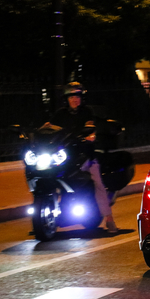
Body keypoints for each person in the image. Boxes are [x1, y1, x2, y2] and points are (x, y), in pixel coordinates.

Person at [45, 82, 119, 234]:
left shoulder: (87, 112)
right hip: (64, 156)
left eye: (77, 96)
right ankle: (46, 216)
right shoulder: (60, 114)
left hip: (85, 155)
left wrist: (90, 136)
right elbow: (50, 127)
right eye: (72, 97)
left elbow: (91, 127)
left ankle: (109, 219)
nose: (75, 100)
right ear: (67, 99)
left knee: (97, 181)